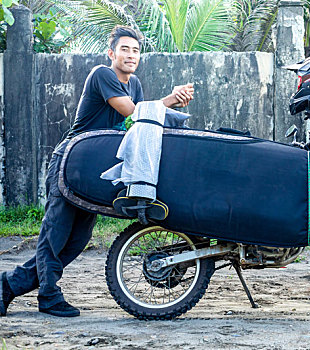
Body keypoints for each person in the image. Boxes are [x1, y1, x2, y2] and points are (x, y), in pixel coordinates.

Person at [0, 26, 194, 318]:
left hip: (93, 169)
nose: (131, 55)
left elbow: (138, 124)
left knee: (76, 241)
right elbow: (131, 111)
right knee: (55, 234)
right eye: (125, 49)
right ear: (112, 53)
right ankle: (49, 296)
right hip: (71, 162)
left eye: (136, 51)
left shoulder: (135, 83)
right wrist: (168, 100)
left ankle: (7, 286)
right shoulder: (102, 75)